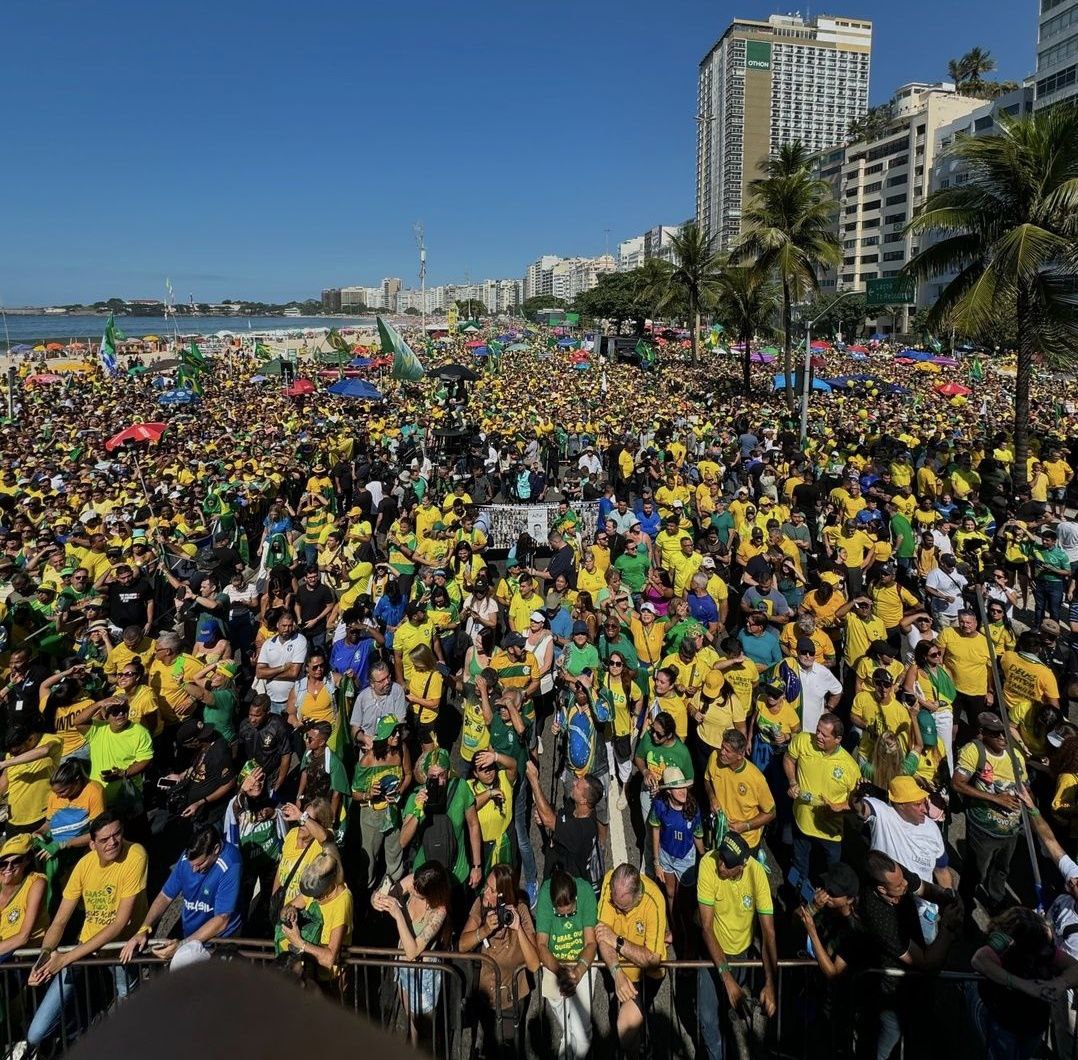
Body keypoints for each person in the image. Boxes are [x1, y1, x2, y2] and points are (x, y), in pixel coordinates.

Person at [26, 813, 148, 1048]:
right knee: (36, 1032)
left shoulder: (135, 854)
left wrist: (66, 959)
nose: (113, 843)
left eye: (117, 835)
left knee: (128, 1008)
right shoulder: (84, 866)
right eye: (104, 840)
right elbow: (60, 920)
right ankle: (81, 1030)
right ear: (92, 844)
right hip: (86, 945)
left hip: (120, 947)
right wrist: (44, 958)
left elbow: (120, 922)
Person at [696, 832, 778, 1060]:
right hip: (712, 954)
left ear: (742, 865)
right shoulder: (708, 864)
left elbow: (768, 932)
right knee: (708, 1018)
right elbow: (706, 927)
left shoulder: (757, 874)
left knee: (730, 1007)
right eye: (721, 858)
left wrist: (771, 982)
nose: (721, 865)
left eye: (728, 864)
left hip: (741, 952)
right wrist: (726, 977)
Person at [120, 824, 242, 963]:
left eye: (200, 864)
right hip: (190, 935)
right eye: (192, 865)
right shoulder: (186, 859)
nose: (194, 870)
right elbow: (165, 896)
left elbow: (222, 919)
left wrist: (181, 946)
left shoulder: (231, 862)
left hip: (220, 940)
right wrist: (143, 929)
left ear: (216, 849)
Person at [969, 905, 1078, 1060]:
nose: (1044, 949)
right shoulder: (1004, 943)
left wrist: (1061, 982)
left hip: (1034, 1024)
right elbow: (979, 960)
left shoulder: (1044, 948)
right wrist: (1023, 985)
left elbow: (1075, 967)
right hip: (1003, 1020)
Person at [953, 712, 1031, 917]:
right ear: (983, 733)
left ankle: (996, 901)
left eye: (1004, 733)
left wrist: (1026, 800)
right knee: (974, 873)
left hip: (1011, 829)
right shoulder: (974, 751)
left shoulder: (1016, 756)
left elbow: (1025, 785)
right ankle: (965, 909)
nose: (1003, 738)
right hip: (983, 829)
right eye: (996, 734)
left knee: (1002, 869)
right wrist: (996, 799)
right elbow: (957, 783)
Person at [459, 863, 540, 1056]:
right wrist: (484, 930)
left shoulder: (520, 910)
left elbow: (534, 964)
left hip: (512, 997)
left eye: (491, 890)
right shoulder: (481, 904)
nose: (486, 892)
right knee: (482, 1045)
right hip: (484, 995)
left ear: (503, 895)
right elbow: (462, 945)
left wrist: (517, 928)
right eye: (487, 886)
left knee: (507, 1048)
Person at [372, 862, 452, 1045]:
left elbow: (412, 951)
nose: (412, 889)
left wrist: (398, 914)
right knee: (410, 1014)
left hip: (424, 973)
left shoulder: (439, 911)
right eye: (413, 884)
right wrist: (376, 898)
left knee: (423, 1023)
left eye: (418, 891)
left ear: (431, 894)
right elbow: (385, 896)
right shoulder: (415, 881)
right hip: (403, 967)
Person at [595, 862, 667, 1054]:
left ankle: (640, 1046)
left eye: (623, 908)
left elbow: (652, 959)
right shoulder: (611, 882)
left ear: (638, 897)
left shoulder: (654, 901)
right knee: (628, 1030)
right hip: (621, 970)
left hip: (648, 975)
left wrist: (617, 941)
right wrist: (616, 972)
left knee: (625, 1028)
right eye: (615, 905)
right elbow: (602, 935)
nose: (617, 911)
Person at [784, 713, 859, 883]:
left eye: (824, 735)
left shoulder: (850, 767)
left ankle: (827, 903)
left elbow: (856, 804)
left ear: (838, 739)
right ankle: (798, 897)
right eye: (818, 730)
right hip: (802, 822)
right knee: (798, 865)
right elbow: (789, 758)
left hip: (830, 832)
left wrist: (838, 808)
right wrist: (792, 782)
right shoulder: (803, 740)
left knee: (831, 874)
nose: (818, 736)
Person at [534, 866, 599, 1060]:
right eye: (559, 913)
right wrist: (561, 974)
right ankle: (568, 1038)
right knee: (562, 1015)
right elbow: (542, 945)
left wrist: (577, 973)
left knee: (581, 1031)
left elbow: (590, 943)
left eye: (569, 912)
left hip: (582, 959)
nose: (564, 916)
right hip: (555, 960)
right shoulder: (546, 895)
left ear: (575, 899)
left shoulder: (586, 892)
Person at [278, 851, 354, 990]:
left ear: (331, 882)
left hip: (329, 980)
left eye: (318, 894)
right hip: (307, 974)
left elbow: (329, 959)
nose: (315, 898)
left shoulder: (342, 901)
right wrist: (290, 911)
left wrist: (299, 942)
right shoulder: (314, 891)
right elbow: (285, 909)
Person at [0, 833, 48, 960]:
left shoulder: (36, 883)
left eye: (16, 861)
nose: (8, 868)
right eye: (2, 864)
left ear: (27, 860)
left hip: (24, 958)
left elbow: (23, 937)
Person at [256, 611, 308, 715]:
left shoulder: (300, 640)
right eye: (284, 626)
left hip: (292, 699)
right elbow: (259, 673)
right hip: (271, 699)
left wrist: (269, 675)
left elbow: (294, 673)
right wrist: (282, 668)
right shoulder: (268, 643)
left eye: (289, 626)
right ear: (277, 625)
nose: (286, 629)